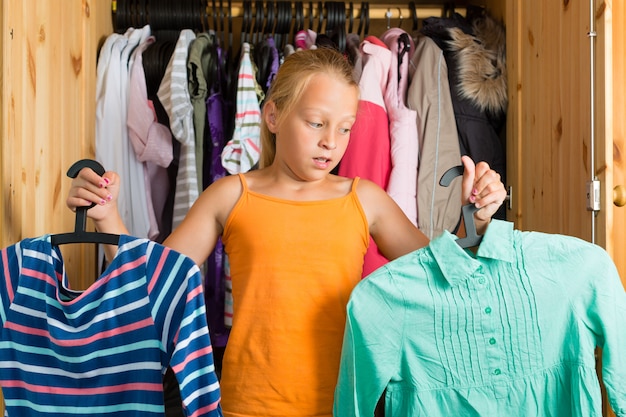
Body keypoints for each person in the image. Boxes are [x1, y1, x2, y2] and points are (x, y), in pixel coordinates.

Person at [66, 47, 507, 417]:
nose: (331, 142)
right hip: (246, 404)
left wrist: (476, 216)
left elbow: (443, 275)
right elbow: (151, 281)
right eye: (316, 123)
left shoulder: (364, 198)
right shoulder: (230, 195)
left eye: (346, 128)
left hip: (346, 403)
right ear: (273, 116)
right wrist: (107, 217)